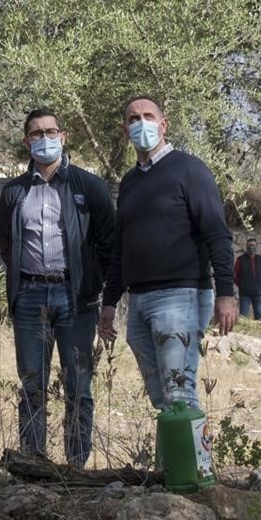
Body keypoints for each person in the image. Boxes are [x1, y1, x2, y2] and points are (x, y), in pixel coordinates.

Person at [97, 96, 237, 411]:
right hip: (138, 301)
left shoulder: (190, 170)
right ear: (125, 130)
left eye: (148, 116)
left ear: (163, 124)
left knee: (179, 394)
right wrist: (109, 302)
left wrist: (226, 293)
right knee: (161, 398)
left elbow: (217, 233)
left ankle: (195, 463)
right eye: (134, 118)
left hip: (180, 297)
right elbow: (122, 248)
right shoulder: (130, 182)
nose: (141, 123)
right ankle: (172, 461)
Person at [0, 107, 115, 467]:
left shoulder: (89, 186)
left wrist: (99, 292)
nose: (44, 139)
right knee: (32, 385)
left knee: (78, 387)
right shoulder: (14, 192)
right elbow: (7, 244)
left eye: (50, 132)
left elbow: (108, 244)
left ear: (62, 137)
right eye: (36, 133)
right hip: (30, 297)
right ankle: (34, 462)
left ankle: (76, 465)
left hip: (76, 298)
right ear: (26, 141)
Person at [234, 241, 261, 321]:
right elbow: (235, 275)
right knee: (243, 316)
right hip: (245, 293)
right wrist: (242, 285)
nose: (251, 247)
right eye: (249, 245)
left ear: (256, 246)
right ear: (246, 247)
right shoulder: (240, 259)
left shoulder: (260, 259)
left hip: (258, 292)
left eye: (253, 245)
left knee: (259, 315)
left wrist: (259, 283)